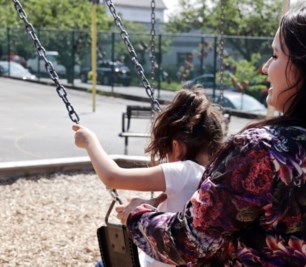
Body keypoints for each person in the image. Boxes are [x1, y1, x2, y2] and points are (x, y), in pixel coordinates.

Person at [115, 3, 306, 266]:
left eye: (275, 55)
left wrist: (138, 214)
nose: (265, 67)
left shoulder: (264, 150)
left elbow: (186, 242)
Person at [72, 86, 225, 267]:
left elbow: (112, 176)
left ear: (177, 147)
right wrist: (150, 205)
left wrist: (89, 142)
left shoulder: (185, 170)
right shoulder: (215, 177)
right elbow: (182, 215)